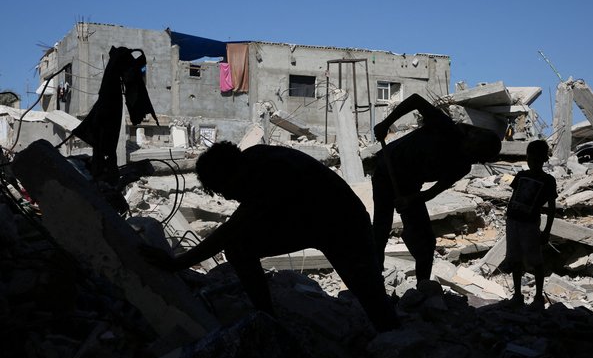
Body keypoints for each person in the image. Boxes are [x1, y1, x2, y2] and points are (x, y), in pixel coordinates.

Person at [143, 141, 400, 332]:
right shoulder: (254, 161)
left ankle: (401, 347)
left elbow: (231, 230)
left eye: (225, 190)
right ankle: (267, 318)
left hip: (345, 227)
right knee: (239, 248)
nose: (229, 198)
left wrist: (177, 263)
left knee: (371, 297)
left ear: (232, 174)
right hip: (311, 223)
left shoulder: (267, 173)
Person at [372, 93, 502, 284]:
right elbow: (415, 99)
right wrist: (386, 124)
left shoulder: (462, 166)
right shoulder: (445, 128)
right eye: (474, 152)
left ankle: (423, 286)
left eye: (478, 158)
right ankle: (373, 279)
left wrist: (410, 200)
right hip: (388, 169)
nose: (473, 157)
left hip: (409, 187)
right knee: (381, 229)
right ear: (472, 139)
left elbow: (432, 192)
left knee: (426, 242)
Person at [505, 139, 557, 310]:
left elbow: (551, 208)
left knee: (535, 260)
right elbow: (515, 196)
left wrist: (546, 231)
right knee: (515, 258)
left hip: (530, 224)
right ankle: (517, 295)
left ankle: (537, 297)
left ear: (543, 159)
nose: (532, 161)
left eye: (536, 158)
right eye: (530, 157)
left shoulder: (548, 180)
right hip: (513, 221)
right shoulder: (521, 176)